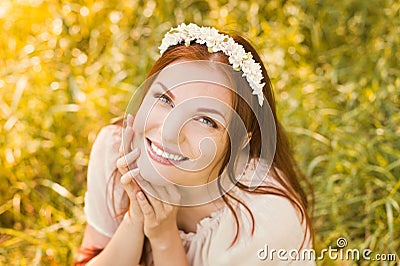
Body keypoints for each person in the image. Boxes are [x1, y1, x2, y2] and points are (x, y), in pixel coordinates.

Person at [76, 23, 315, 265]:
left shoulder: (263, 222)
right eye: (164, 98)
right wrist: (135, 217)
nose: (170, 133)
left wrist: (163, 235)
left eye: (205, 120)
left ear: (241, 141)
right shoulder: (114, 150)